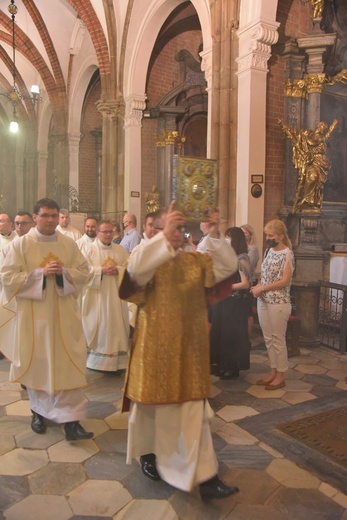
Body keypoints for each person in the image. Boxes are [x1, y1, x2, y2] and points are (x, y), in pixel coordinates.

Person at [119, 202, 239, 499]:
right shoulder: (146, 255)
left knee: (193, 415)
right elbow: (133, 276)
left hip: (189, 352)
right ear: (157, 231)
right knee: (149, 412)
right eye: (166, 229)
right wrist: (163, 240)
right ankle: (148, 456)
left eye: (178, 229)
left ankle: (206, 477)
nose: (173, 235)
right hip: (154, 351)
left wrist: (213, 234)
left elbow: (227, 268)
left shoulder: (194, 261)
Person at [0, 198, 93, 440]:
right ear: (35, 217)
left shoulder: (68, 244)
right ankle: (38, 413)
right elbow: (7, 277)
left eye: (54, 215)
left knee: (69, 365)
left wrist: (64, 273)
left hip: (64, 316)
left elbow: (84, 271)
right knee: (38, 365)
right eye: (45, 216)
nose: (50, 220)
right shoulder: (20, 245)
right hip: (34, 318)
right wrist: (40, 274)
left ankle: (72, 422)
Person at [250, 219, 295, 390]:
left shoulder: (287, 253)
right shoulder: (269, 251)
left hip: (279, 302)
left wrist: (263, 288)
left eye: (271, 235)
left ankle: (281, 375)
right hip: (264, 300)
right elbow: (264, 273)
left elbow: (284, 281)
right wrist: (258, 286)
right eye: (267, 235)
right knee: (268, 339)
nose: (268, 238)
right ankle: (273, 371)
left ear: (280, 236)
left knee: (278, 339)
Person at [81, 220, 129, 371]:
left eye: (111, 232)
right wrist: (100, 271)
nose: (109, 235)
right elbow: (81, 271)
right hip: (97, 296)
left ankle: (118, 362)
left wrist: (119, 271)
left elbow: (129, 269)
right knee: (100, 325)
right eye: (105, 232)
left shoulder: (120, 250)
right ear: (98, 232)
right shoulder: (88, 250)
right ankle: (96, 361)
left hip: (116, 297)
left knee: (116, 325)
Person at [210, 227, 251, 379]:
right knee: (223, 335)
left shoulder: (242, 258)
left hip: (235, 303)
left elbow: (245, 283)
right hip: (225, 301)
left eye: (228, 238)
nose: (226, 241)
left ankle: (233, 368)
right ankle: (223, 365)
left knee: (232, 336)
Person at [279, 118, 338, 212]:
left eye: (324, 128)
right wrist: (284, 126)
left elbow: (328, 135)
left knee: (317, 180)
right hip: (310, 161)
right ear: (318, 126)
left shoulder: (322, 138)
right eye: (322, 126)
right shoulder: (308, 134)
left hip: (321, 163)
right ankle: (306, 199)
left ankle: (312, 202)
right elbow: (295, 135)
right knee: (312, 177)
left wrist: (333, 126)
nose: (322, 128)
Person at [241, 223, 260, 335]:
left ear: (250, 235)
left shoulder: (252, 248)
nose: (243, 236)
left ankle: (248, 336)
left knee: (248, 312)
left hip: (248, 281)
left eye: (245, 233)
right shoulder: (241, 247)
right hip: (241, 281)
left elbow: (249, 265)